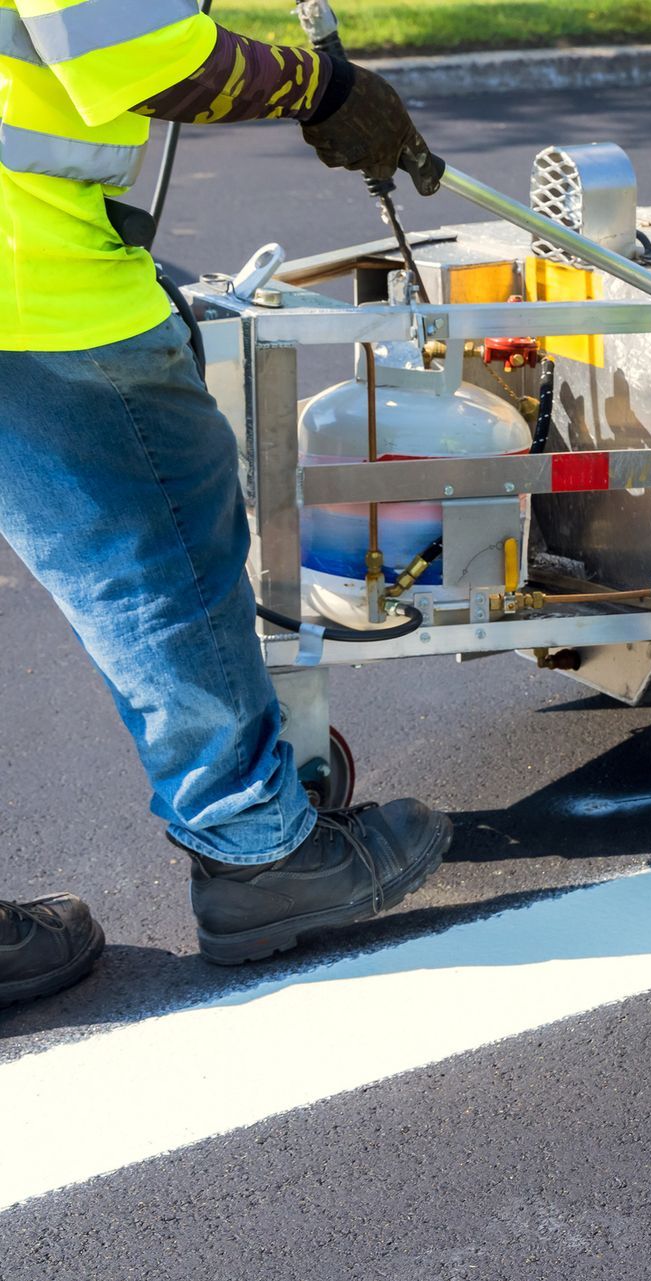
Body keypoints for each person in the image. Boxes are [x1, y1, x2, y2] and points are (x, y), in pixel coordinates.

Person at [0, 1, 453, 1009]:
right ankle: (258, 851)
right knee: (158, 544)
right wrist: (327, 87)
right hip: (29, 288)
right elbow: (135, 51)